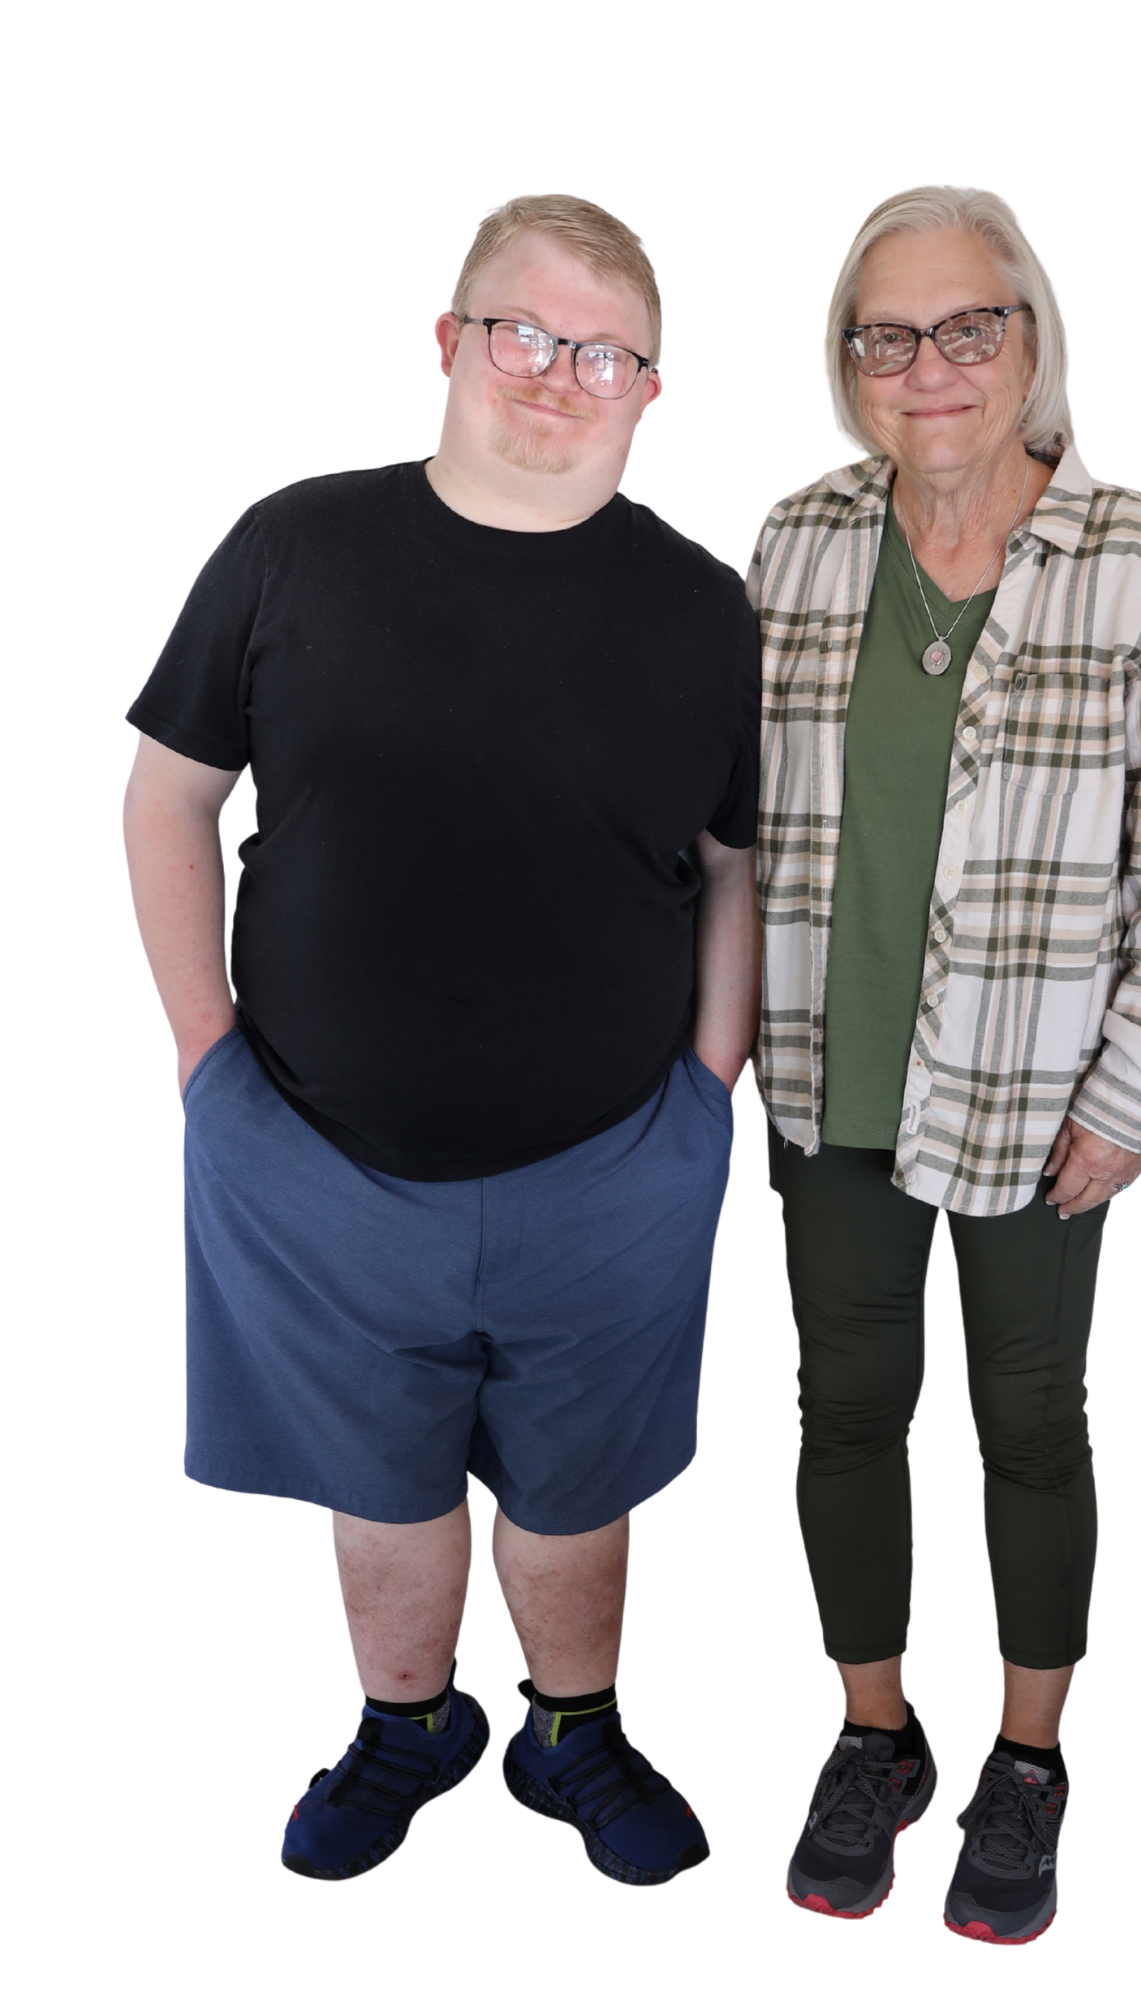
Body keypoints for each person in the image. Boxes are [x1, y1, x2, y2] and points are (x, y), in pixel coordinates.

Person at [123, 194, 760, 1885]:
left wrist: (704, 1099)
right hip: (315, 1157)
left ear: (648, 391)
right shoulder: (294, 546)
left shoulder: (705, 612)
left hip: (614, 1164)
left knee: (574, 1489)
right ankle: (407, 1724)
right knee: (381, 1479)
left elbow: (734, 870)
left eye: (605, 352)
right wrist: (207, 1064)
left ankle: (574, 1734)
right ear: (450, 340)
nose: (559, 375)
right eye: (524, 332)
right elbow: (169, 798)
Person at [749, 186, 1141, 1940]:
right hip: (824, 1085)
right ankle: (875, 1733)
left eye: (969, 327)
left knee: (1028, 1422)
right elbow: (739, 824)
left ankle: (1025, 1764)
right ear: (849, 364)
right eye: (888, 335)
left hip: (1037, 1107)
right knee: (842, 1416)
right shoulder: (798, 547)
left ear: (1030, 341)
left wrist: (1132, 1097)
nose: (929, 367)